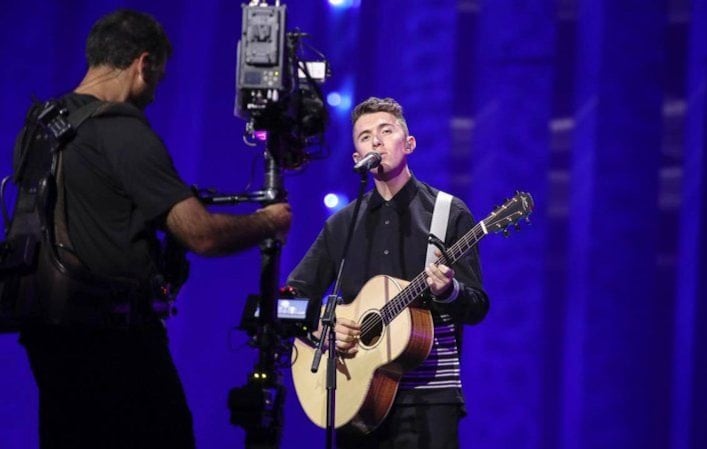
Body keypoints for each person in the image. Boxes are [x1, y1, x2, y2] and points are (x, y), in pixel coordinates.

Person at [15, 9, 291, 449]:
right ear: (143, 63)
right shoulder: (121, 130)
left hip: (49, 336)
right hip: (115, 344)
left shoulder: (43, 126)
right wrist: (268, 221)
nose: (156, 93)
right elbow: (202, 235)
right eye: (159, 77)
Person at [287, 97, 489, 448]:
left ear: (408, 144)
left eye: (386, 131)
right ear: (356, 157)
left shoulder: (448, 212)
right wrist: (319, 320)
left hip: (429, 399)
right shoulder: (343, 224)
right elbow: (288, 300)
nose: (376, 141)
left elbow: (477, 305)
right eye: (365, 136)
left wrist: (448, 291)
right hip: (356, 394)